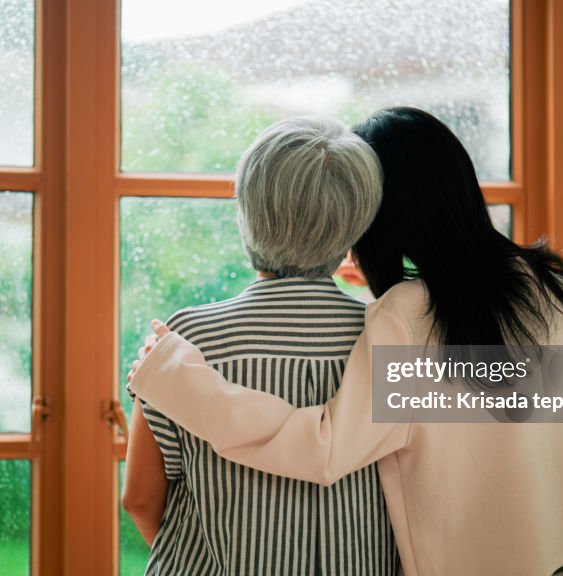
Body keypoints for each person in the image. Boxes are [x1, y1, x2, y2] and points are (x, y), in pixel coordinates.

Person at [129, 107, 563, 575]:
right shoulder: (547, 287)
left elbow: (323, 448)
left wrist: (176, 377)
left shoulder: (405, 315)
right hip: (560, 561)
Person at [121, 116, 400, 575]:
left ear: (245, 207)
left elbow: (140, 498)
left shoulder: (185, 339)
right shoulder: (388, 337)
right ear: (357, 223)